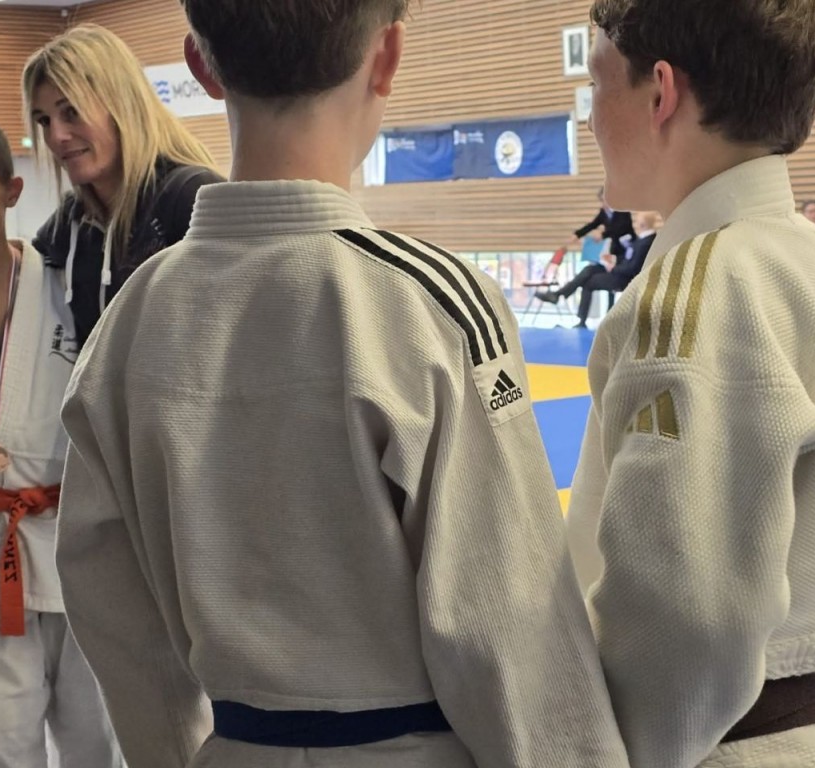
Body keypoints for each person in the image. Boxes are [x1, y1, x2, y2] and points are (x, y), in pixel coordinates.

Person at [54, 2, 630, 768]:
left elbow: (111, 608)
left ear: (201, 66)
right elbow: (511, 624)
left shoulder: (128, 326)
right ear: (387, 56)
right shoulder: (429, 305)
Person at [565, 1, 815, 766]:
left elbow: (683, 619)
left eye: (596, 86)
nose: (590, 119)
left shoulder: (698, 294)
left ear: (661, 92)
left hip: (718, 747)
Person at [0, 117, 121, 767]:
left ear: (11, 192)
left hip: (77, 546)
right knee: (0, 747)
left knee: (97, 738)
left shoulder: (70, 283)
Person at [23, 24, 223, 349]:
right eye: (44, 120)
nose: (56, 136)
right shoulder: (68, 225)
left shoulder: (190, 196)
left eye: (71, 112)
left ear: (121, 105)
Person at [537, 210, 659, 327]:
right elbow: (629, 258)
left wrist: (613, 268)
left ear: (642, 224)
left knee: (588, 283)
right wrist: (613, 259)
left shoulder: (646, 242)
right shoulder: (641, 240)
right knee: (588, 270)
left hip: (624, 277)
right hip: (620, 270)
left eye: (637, 221)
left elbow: (633, 268)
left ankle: (576, 313)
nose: (635, 223)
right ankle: (561, 296)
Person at [572, 187, 636, 257]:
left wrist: (603, 235)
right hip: (616, 248)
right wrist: (578, 234)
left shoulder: (622, 209)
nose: (604, 203)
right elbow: (593, 224)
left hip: (629, 245)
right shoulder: (604, 212)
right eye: (602, 200)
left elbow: (621, 227)